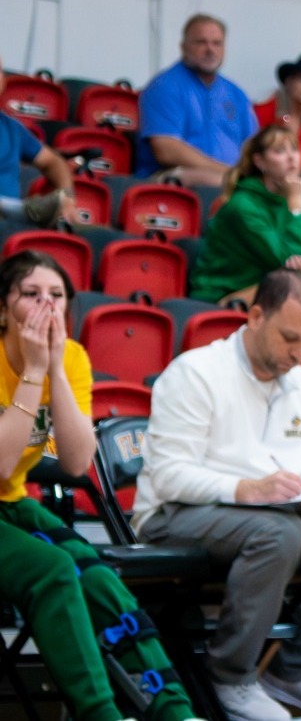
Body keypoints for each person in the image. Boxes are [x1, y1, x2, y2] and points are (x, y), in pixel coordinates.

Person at [133, 269, 301, 721]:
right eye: (289, 338)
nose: (298, 354)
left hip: (274, 515)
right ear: (255, 315)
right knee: (279, 534)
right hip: (174, 515)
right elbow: (167, 477)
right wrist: (247, 488)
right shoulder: (195, 372)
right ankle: (231, 677)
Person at [0, 252, 203, 721]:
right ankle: (101, 715)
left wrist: (52, 369)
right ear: (4, 308)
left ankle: (177, 712)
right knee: (52, 569)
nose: (45, 307)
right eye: (30, 295)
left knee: (98, 577)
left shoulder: (71, 358)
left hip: (10, 503)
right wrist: (32, 373)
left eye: (56, 296)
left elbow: (75, 461)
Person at [190, 125, 301, 306]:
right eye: (280, 151)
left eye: (295, 149)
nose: (291, 158)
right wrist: (295, 206)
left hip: (272, 290)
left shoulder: (295, 202)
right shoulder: (243, 205)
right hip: (225, 295)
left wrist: (296, 206)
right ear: (259, 161)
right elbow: (282, 259)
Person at [135, 14, 256, 186]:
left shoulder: (236, 94)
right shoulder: (164, 86)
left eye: (217, 43)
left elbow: (253, 147)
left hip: (231, 178)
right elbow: (166, 150)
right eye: (201, 42)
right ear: (183, 47)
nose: (210, 49)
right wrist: (228, 172)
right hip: (170, 178)